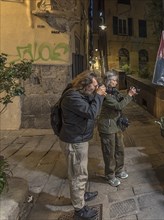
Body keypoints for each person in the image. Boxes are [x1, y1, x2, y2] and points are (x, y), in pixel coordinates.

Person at [58, 70, 107, 220]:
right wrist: (98, 96)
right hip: (74, 141)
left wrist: (97, 95)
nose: (95, 87)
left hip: (78, 138)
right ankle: (79, 210)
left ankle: (82, 194)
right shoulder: (72, 96)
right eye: (94, 85)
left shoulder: (79, 94)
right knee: (78, 174)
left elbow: (89, 104)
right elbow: (91, 113)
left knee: (80, 171)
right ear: (85, 84)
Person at [97, 70, 137, 187]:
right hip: (107, 127)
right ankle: (110, 175)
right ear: (108, 81)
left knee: (120, 149)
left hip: (117, 125)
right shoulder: (105, 94)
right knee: (109, 152)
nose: (116, 82)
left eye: (116, 80)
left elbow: (120, 98)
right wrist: (129, 96)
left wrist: (129, 93)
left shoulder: (114, 91)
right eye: (113, 80)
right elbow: (118, 105)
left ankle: (119, 171)